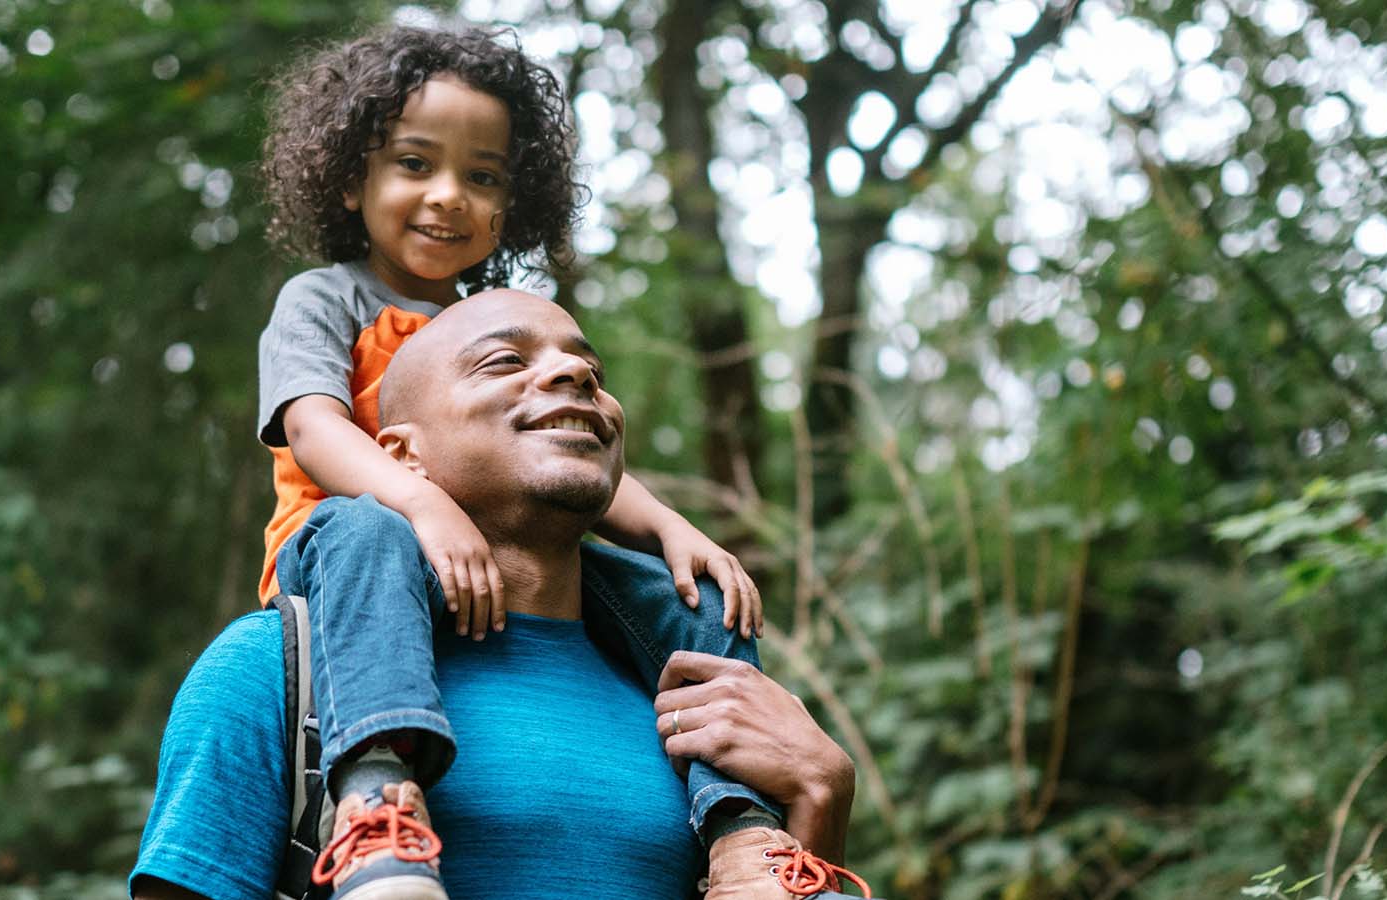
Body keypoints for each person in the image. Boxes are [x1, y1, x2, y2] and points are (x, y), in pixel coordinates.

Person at [244, 24, 800, 898]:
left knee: (694, 598)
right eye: (416, 164)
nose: (449, 196)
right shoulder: (326, 299)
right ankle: (376, 798)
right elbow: (313, 428)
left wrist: (669, 530)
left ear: (513, 205)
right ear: (352, 180)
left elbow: (562, 441)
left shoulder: (501, 318)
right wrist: (421, 505)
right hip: (354, 565)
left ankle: (744, 830)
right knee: (364, 527)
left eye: (484, 176)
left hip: (495, 562)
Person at [132, 291, 870, 900]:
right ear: (399, 455)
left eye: (590, 369)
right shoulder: (272, 672)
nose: (575, 377)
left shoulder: (703, 694)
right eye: (504, 361)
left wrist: (820, 801)